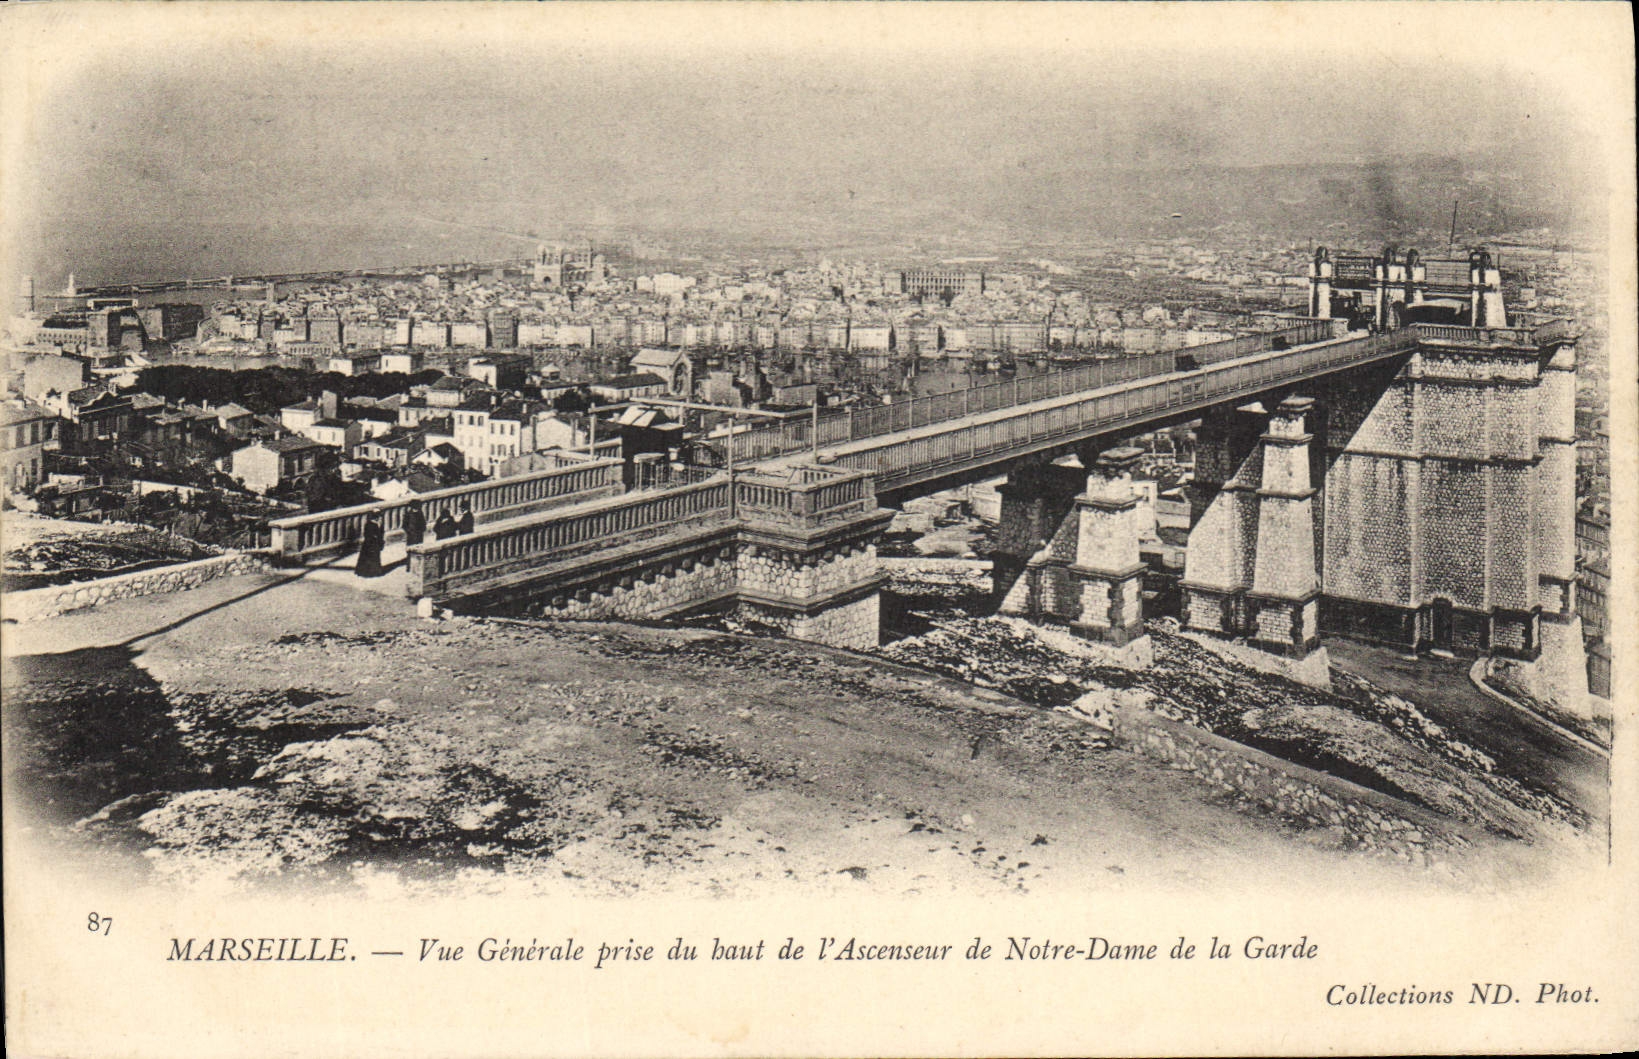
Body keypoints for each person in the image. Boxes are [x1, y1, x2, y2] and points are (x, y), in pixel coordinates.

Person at [355, 511, 385, 578]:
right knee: (372, 558)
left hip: (368, 545)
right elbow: (375, 535)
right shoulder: (374, 525)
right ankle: (372, 572)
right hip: (372, 544)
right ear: (376, 517)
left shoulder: (368, 524)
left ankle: (365, 572)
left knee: (367, 558)